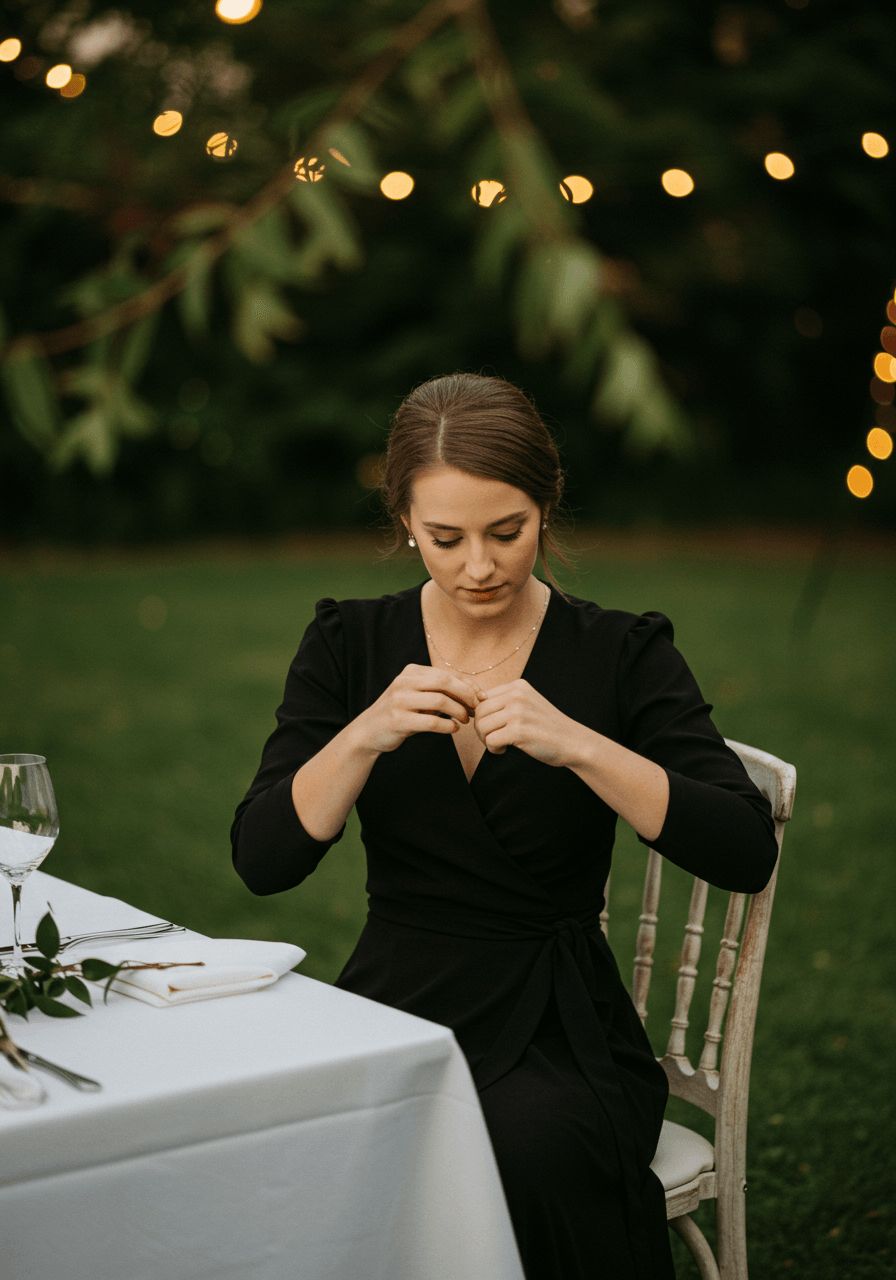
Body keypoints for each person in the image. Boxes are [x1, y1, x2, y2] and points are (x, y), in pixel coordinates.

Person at [231, 372, 778, 1280]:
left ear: (546, 508)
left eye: (506, 532)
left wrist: (581, 745)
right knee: (304, 1148)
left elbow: (743, 848)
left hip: (559, 1023)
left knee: (522, 1154)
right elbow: (262, 860)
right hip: (395, 1002)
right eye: (444, 538)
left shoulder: (620, 652)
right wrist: (364, 734)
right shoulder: (348, 645)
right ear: (404, 519)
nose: (478, 565)